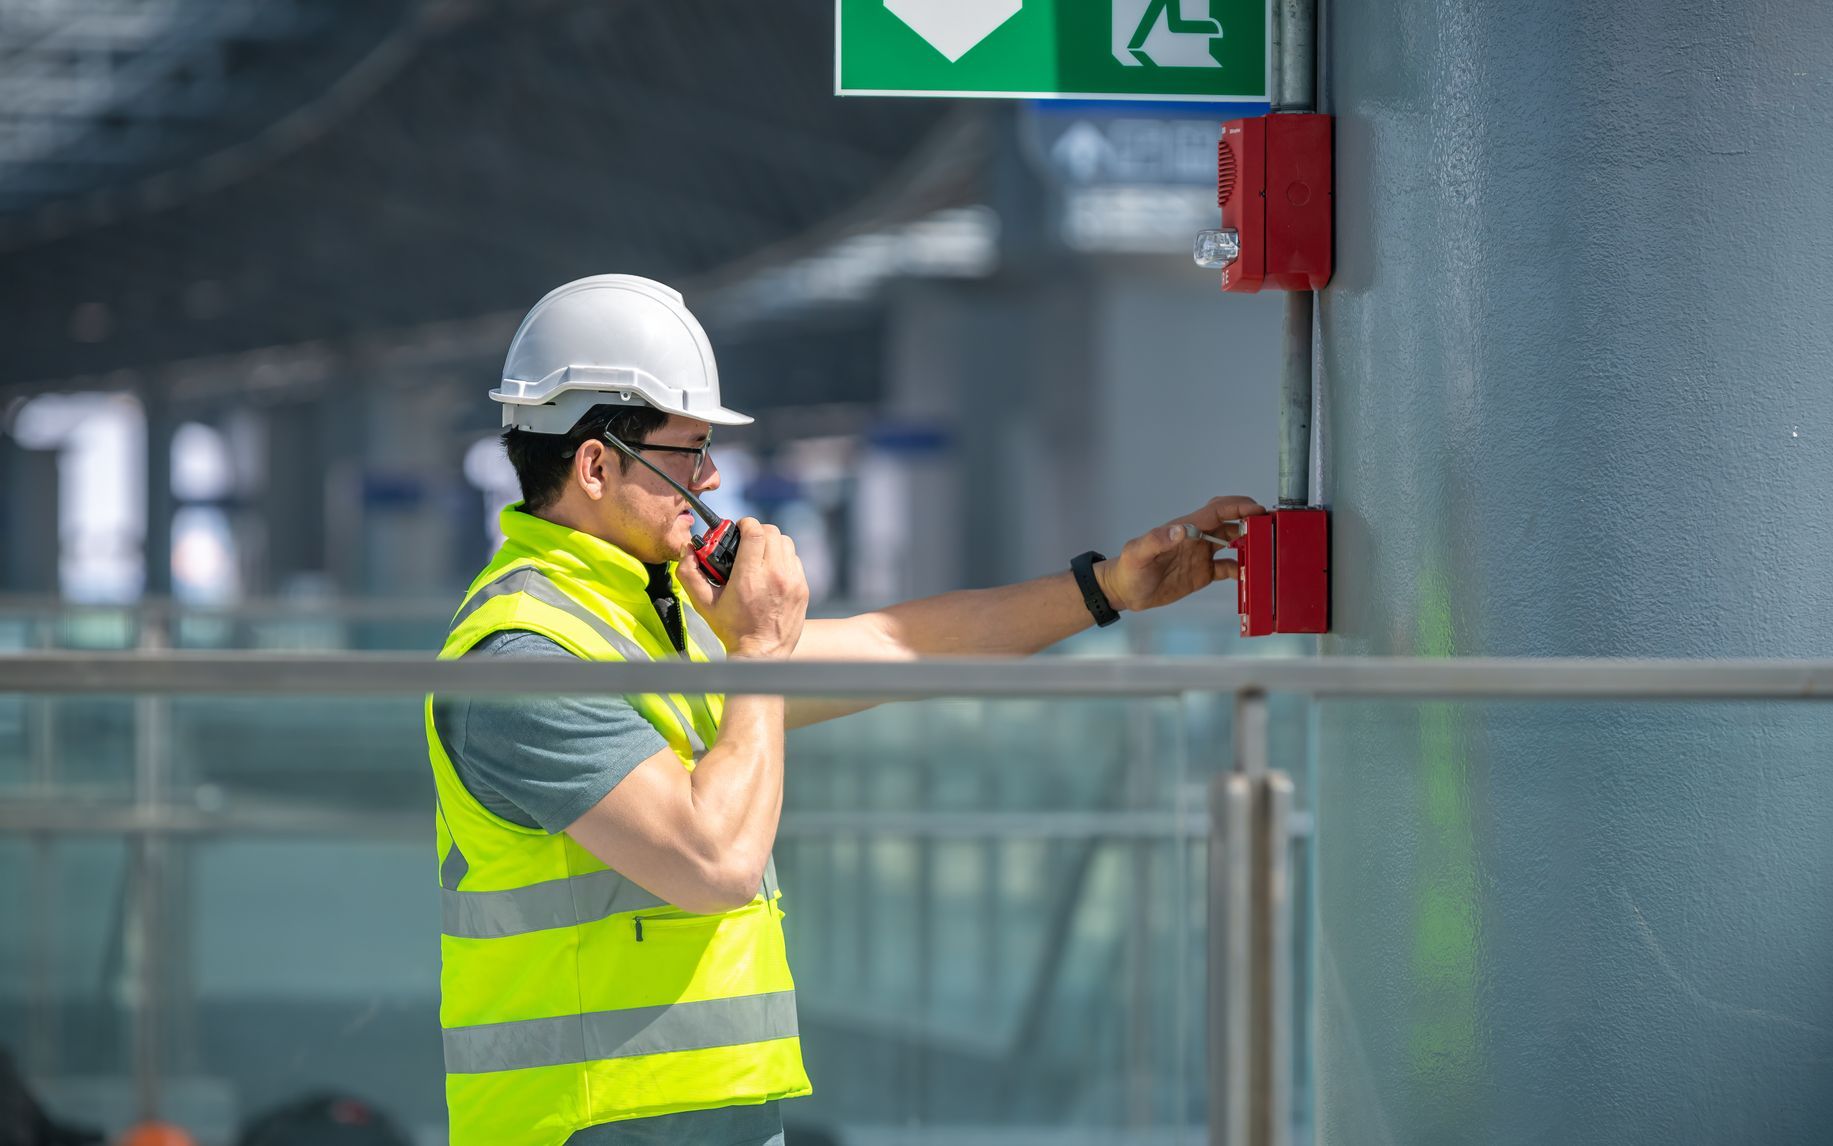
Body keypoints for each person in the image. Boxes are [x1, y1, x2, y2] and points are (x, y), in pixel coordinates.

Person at [425, 275, 1262, 1146]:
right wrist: (757, 649)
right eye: (689, 451)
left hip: (696, 1119)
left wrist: (1108, 589)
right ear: (596, 464)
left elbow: (896, 645)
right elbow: (713, 865)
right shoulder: (524, 660)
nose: (712, 479)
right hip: (589, 1127)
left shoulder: (643, 618)